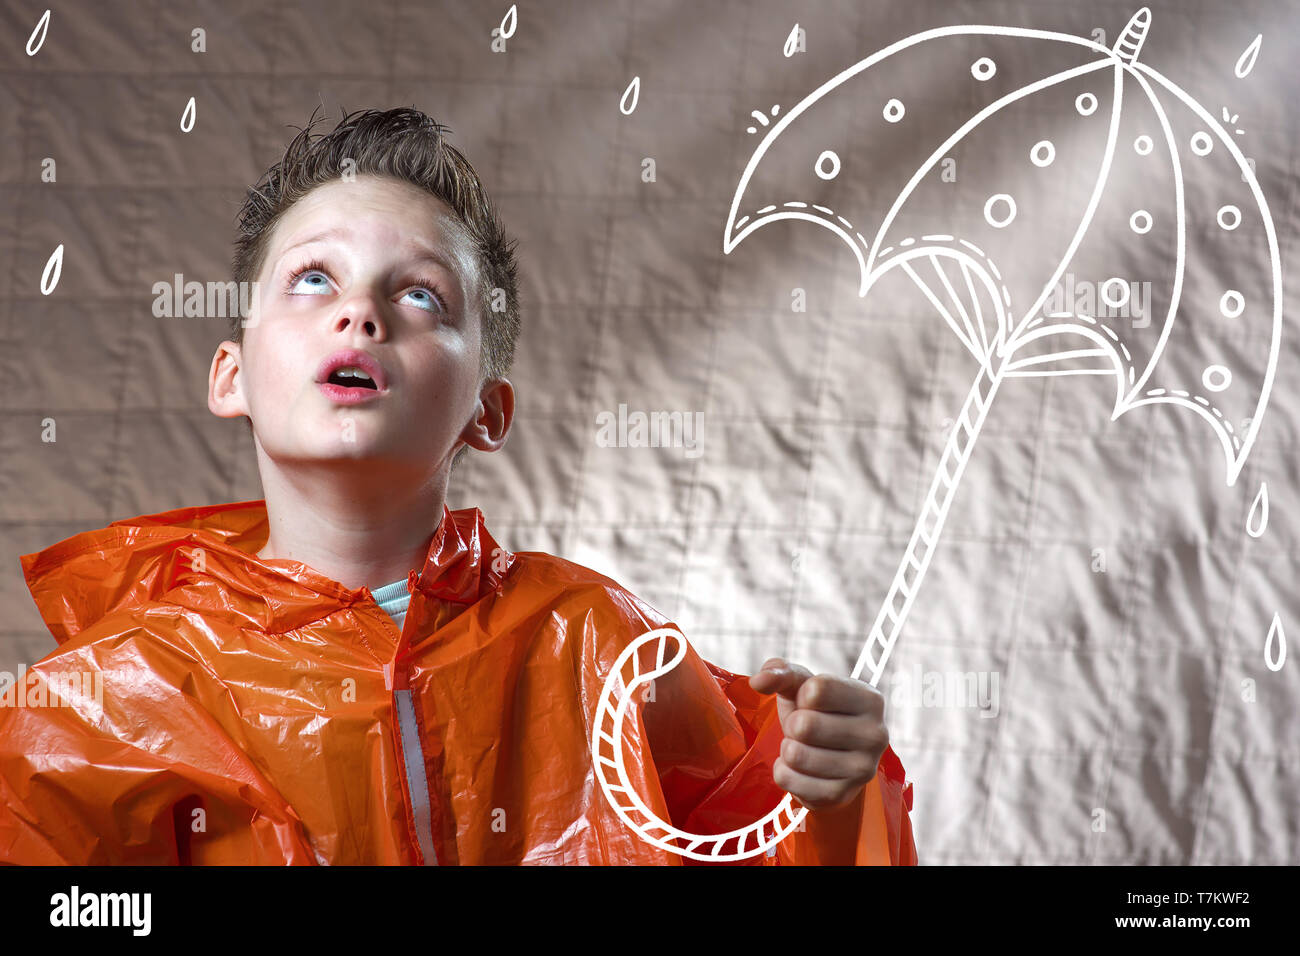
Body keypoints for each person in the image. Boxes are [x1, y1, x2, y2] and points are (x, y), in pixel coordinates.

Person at [0, 107, 916, 865]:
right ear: (230, 376)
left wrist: (833, 805)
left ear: (487, 409)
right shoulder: (117, 692)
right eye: (313, 278)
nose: (361, 311)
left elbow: (754, 844)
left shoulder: (596, 641)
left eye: (423, 296)